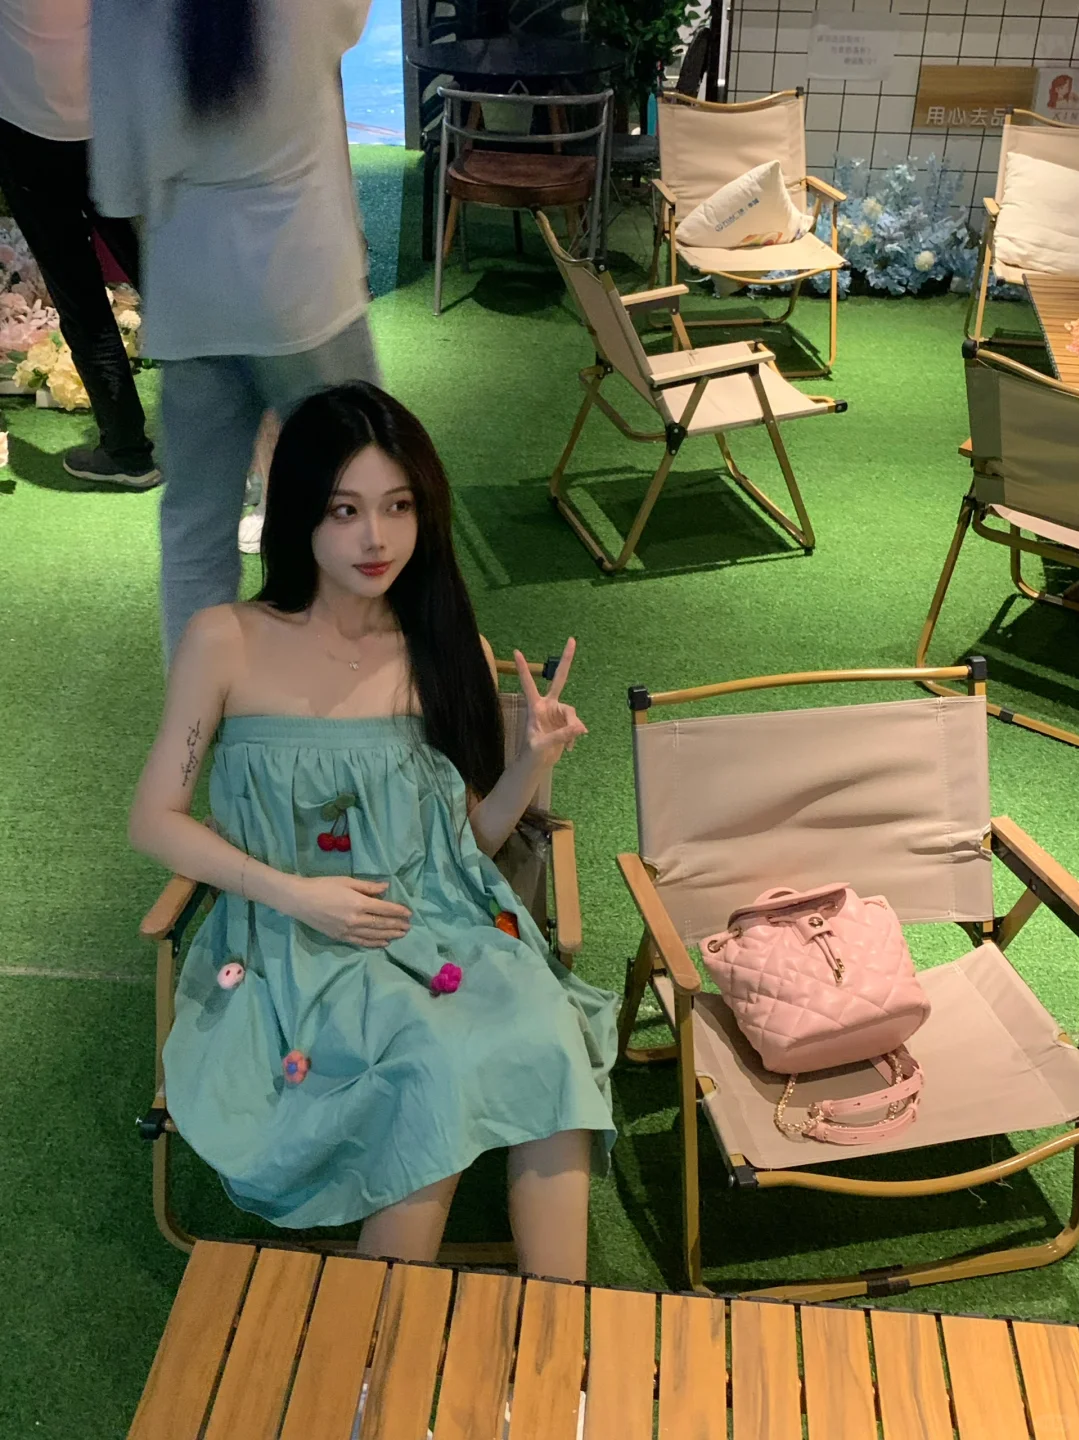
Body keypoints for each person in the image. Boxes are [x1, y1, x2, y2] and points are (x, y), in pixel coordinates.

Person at [129, 383, 618, 1278]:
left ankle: (562, 1328)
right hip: (291, 940)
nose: (376, 539)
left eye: (398, 507)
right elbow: (153, 819)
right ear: (300, 515)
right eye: (345, 510)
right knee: (427, 1060)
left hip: (442, 924)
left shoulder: (445, 647)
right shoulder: (225, 640)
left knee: (550, 1038)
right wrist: (296, 894)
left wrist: (529, 764)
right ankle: (378, 1344)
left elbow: (460, 844)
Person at [90, 0, 382, 662]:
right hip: (305, 277)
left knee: (196, 529)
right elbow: (348, 25)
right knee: (360, 503)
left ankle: (197, 709)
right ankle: (356, 689)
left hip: (190, 283)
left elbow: (115, 182)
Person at [0, 0, 158, 488]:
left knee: (81, 299)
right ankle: (233, 433)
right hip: (110, 126)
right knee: (163, 279)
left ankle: (127, 450)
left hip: (28, 137)